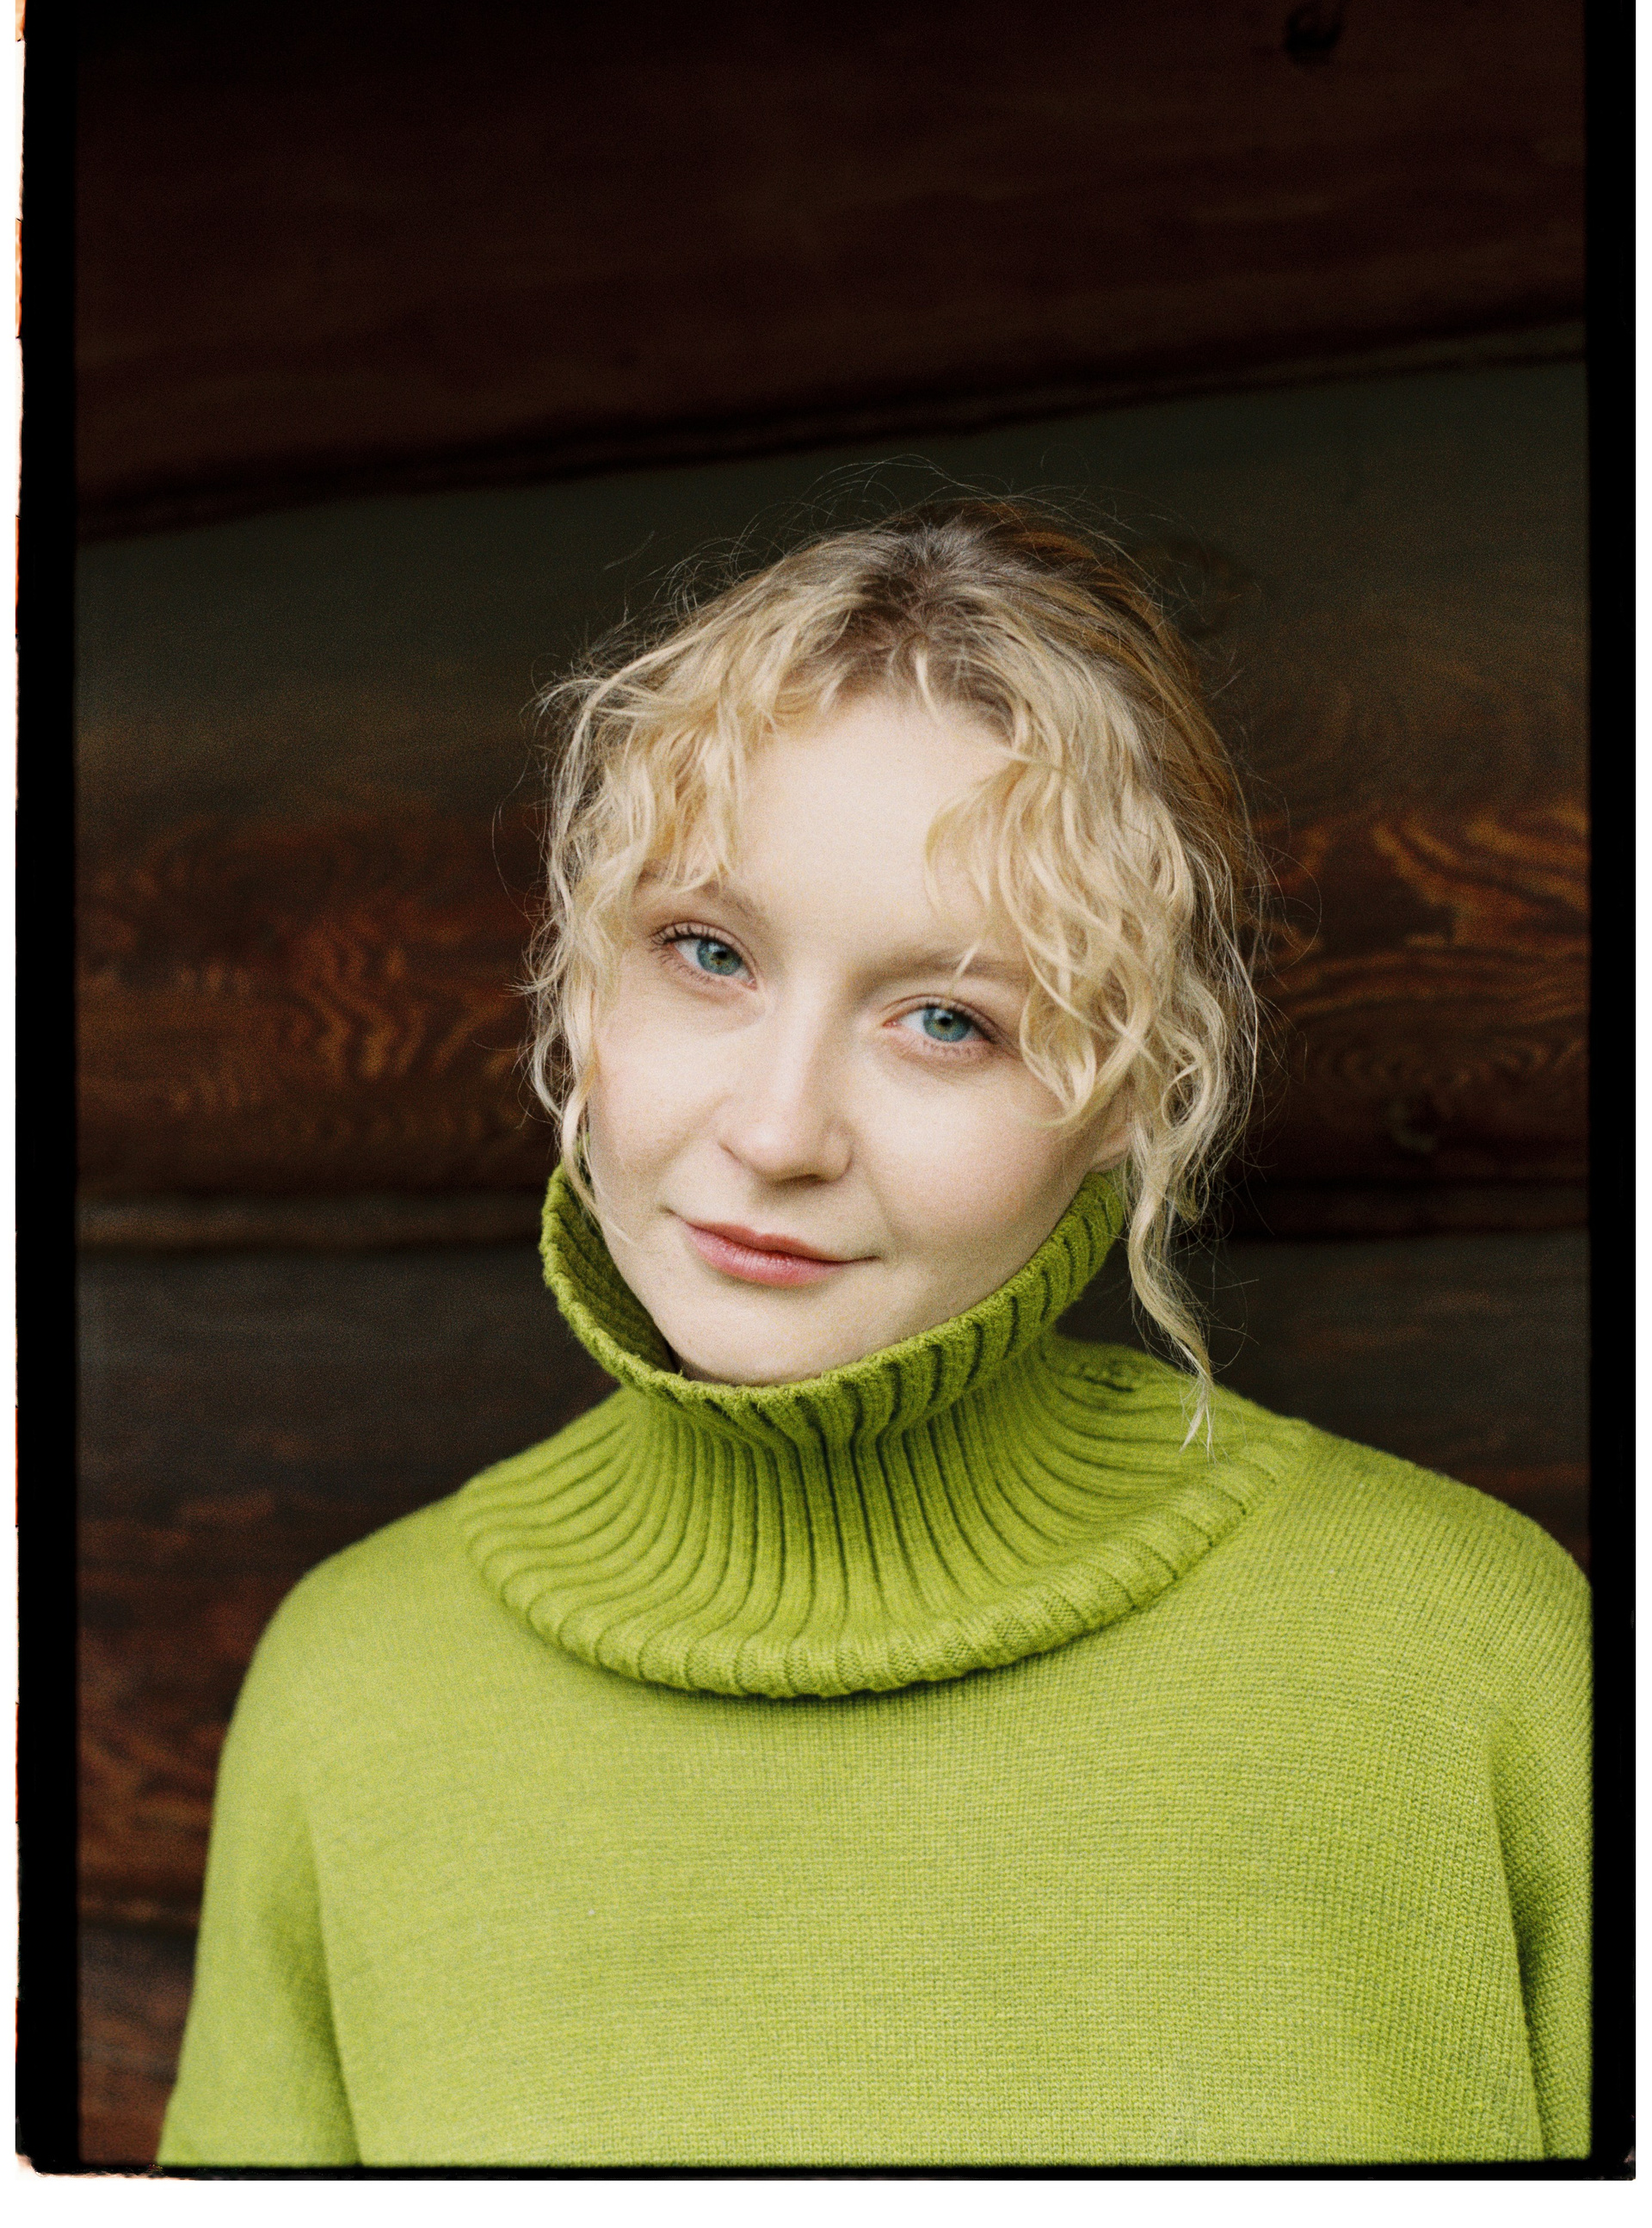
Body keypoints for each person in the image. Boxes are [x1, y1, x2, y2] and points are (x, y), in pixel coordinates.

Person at [158, 499, 1589, 2167]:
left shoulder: (1471, 1663)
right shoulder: (353, 1688)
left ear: (1134, 1091)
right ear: (584, 974)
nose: (777, 1130)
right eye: (706, 952)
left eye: (947, 1020)